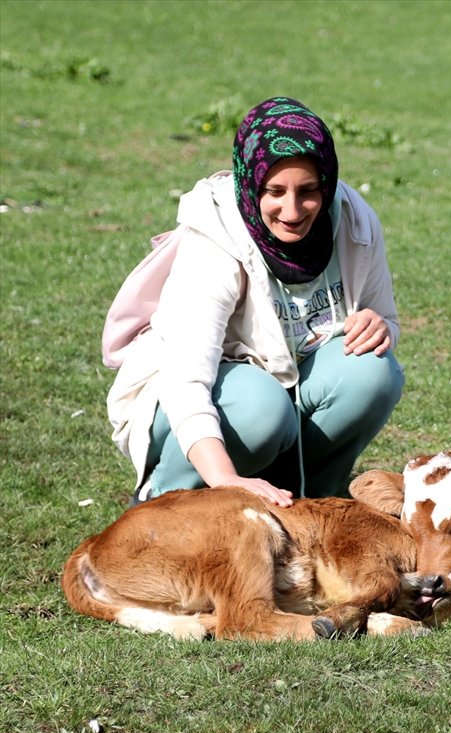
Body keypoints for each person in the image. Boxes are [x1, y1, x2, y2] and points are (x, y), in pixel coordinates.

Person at [106, 96, 405, 508]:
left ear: (327, 183)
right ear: (251, 184)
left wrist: (380, 327)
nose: (293, 210)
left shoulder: (354, 220)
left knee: (373, 370)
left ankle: (304, 504)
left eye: (308, 191)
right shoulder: (216, 239)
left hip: (287, 387)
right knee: (260, 407)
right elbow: (185, 379)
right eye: (275, 191)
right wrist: (224, 476)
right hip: (201, 397)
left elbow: (385, 316)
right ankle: (165, 502)